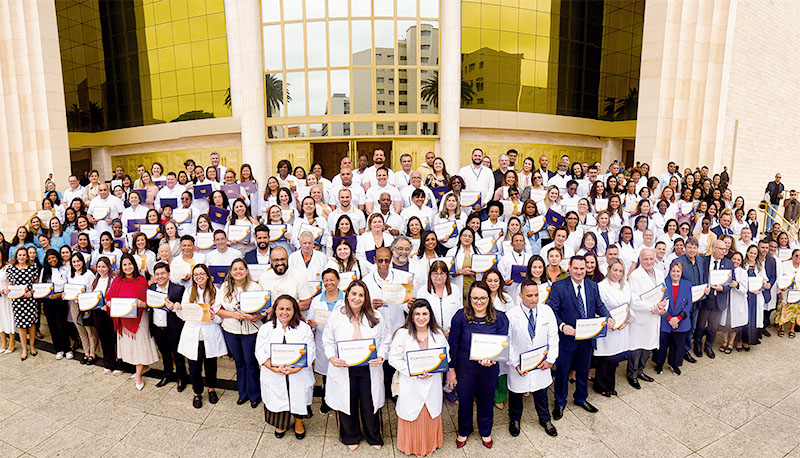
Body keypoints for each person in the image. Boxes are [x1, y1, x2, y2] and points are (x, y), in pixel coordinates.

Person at [323, 280, 389, 451]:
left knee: (370, 403)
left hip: (369, 368)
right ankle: (350, 436)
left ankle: (374, 436)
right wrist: (331, 358)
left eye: (361, 295)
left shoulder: (376, 316)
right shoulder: (337, 316)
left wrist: (381, 355)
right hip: (344, 367)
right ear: (347, 295)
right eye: (354, 294)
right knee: (347, 402)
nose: (357, 298)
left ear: (366, 297)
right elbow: (328, 340)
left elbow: (385, 341)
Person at [547, 255, 614, 420]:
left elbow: (599, 305)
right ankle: (560, 402)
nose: (579, 272)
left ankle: (581, 398)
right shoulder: (558, 287)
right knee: (562, 373)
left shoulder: (592, 286)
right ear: (569, 268)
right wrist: (562, 326)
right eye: (575, 268)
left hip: (587, 338)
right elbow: (550, 311)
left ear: (587, 269)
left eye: (582, 268)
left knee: (583, 370)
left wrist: (608, 317)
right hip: (567, 339)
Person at [446, 281, 508, 449]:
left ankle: (485, 431)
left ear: (489, 297)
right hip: (465, 367)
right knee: (464, 400)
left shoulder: (500, 317)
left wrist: (494, 358)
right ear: (469, 299)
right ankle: (464, 430)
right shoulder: (460, 316)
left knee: (486, 400)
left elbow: (503, 344)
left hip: (489, 368)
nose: (479, 302)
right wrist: (451, 369)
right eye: (475, 299)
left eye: (483, 298)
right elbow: (453, 345)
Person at [389, 299, 450, 456]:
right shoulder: (402, 334)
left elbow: (446, 357)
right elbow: (393, 358)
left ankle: (429, 445)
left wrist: (434, 370)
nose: (421, 317)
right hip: (410, 384)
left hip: (432, 383)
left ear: (430, 315)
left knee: (429, 413)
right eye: (417, 314)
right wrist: (412, 371)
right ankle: (411, 446)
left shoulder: (438, 335)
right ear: (411, 315)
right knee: (411, 414)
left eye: (424, 313)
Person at [255, 294, 315, 440]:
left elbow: (311, 351)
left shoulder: (304, 328)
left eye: (289, 309)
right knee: (278, 396)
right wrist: (273, 368)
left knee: (298, 396)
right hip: (274, 372)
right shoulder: (266, 328)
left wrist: (297, 368)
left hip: (298, 372)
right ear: (275, 310)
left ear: (294, 311)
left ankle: (298, 422)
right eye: (281, 308)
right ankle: (280, 423)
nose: (284, 312)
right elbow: (260, 352)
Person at [506, 279, 559, 437]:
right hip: (519, 364)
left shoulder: (546, 311)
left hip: (541, 363)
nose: (534, 299)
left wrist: (550, 359)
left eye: (536, 295)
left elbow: (553, 336)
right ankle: (515, 420)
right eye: (529, 295)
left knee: (541, 392)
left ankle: (545, 419)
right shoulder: (511, 315)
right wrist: (515, 364)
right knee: (516, 395)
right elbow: (508, 343)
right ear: (521, 295)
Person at [214, 259, 265, 408]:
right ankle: (242, 394)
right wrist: (234, 315)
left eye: (241, 269)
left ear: (247, 271)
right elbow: (217, 309)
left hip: (251, 331)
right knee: (239, 363)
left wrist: (254, 316)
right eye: (235, 269)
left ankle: (255, 394)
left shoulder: (255, 287)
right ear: (230, 272)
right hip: (231, 330)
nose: (238, 272)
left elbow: (263, 312)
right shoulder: (224, 287)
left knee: (251, 363)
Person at [174, 264, 226, 407]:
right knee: (194, 367)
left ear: (208, 275)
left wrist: (213, 316)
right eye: (196, 275)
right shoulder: (189, 291)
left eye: (202, 274)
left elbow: (220, 317)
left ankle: (211, 389)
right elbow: (184, 315)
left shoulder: (216, 291)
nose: (199, 277)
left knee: (211, 365)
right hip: (192, 334)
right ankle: (197, 392)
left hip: (210, 333)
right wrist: (178, 309)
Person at [105, 253, 159, 390]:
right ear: (121, 267)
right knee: (131, 347)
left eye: (130, 264)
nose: (127, 267)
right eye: (124, 265)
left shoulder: (141, 279)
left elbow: (148, 302)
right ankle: (143, 367)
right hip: (123, 319)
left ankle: (139, 375)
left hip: (140, 319)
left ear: (134, 265)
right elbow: (109, 297)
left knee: (140, 346)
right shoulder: (117, 280)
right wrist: (111, 304)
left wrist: (142, 304)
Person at [626, 248, 667, 388]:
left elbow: (664, 294)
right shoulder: (635, 276)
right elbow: (634, 301)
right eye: (645, 259)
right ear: (640, 260)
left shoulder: (660, 273)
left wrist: (663, 308)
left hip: (655, 318)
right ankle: (632, 375)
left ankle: (641, 371)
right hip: (641, 318)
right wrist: (652, 308)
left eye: (651, 259)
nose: (649, 262)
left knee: (648, 346)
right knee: (636, 348)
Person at [594, 258, 633, 396]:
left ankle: (610, 385)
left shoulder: (625, 285)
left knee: (615, 358)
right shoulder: (601, 286)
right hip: (609, 327)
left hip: (622, 326)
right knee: (606, 358)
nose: (617, 273)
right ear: (608, 270)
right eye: (615, 270)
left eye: (621, 271)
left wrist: (629, 317)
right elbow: (599, 307)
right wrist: (609, 322)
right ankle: (600, 386)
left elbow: (629, 303)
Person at [148, 262, 187, 390]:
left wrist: (176, 306)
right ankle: (167, 374)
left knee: (177, 355)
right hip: (157, 326)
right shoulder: (152, 288)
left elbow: (183, 309)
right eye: (157, 274)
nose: (160, 276)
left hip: (173, 328)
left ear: (168, 274)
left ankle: (181, 378)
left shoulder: (178, 289)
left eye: (163, 273)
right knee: (164, 354)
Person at [693, 240, 734, 359]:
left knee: (713, 327)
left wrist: (723, 287)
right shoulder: (703, 260)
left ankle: (708, 346)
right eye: (721, 249)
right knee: (700, 324)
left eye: (725, 249)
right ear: (714, 248)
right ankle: (697, 345)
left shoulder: (728, 263)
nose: (724, 251)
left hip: (719, 299)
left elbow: (731, 281)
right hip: (705, 298)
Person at [653, 261, 693, 375]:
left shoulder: (687, 284)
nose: (675, 274)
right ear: (669, 271)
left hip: (681, 321)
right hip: (666, 319)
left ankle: (674, 364)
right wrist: (670, 318)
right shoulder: (663, 284)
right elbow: (659, 302)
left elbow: (689, 304)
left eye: (678, 271)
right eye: (673, 271)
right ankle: (659, 364)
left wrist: (678, 318)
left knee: (678, 345)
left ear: (681, 272)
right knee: (662, 345)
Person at [258, 246, 314, 311]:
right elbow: (261, 304)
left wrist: (280, 309)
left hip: (295, 319)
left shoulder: (299, 276)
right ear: (270, 260)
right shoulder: (264, 278)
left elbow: (306, 304)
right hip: (272, 319)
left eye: (283, 259)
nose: (280, 263)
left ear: (287, 258)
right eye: (276, 260)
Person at [38, 249, 70, 359]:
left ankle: (67, 348)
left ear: (57, 257)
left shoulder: (65, 269)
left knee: (62, 326)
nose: (52, 260)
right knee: (52, 326)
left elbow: (68, 286)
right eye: (49, 258)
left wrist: (59, 294)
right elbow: (41, 287)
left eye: (53, 257)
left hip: (61, 299)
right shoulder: (44, 271)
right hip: (48, 301)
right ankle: (58, 349)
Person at [68, 252, 99, 365]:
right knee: (80, 329)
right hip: (74, 305)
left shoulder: (89, 274)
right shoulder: (70, 274)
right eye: (74, 262)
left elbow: (93, 290)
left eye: (78, 261)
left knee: (89, 330)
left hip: (86, 304)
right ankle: (86, 353)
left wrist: (83, 298)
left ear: (83, 262)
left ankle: (93, 353)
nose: (76, 264)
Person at [0, 250, 16, 354]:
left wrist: (7, 289)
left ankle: (12, 342)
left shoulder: (8, 267)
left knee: (9, 318)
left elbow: (12, 282)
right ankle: (4, 341)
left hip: (6, 297)